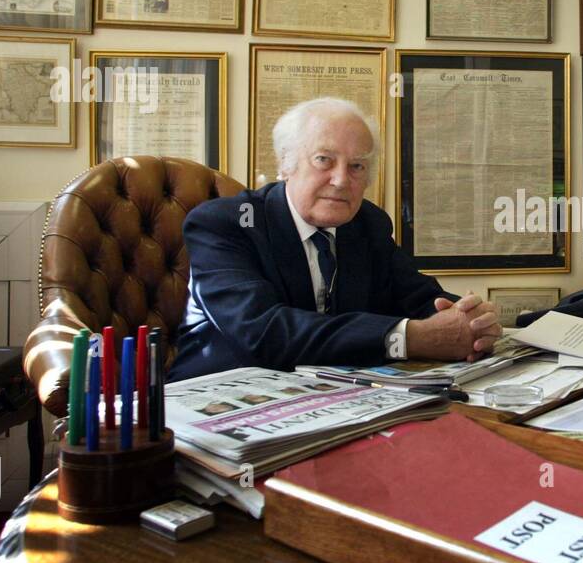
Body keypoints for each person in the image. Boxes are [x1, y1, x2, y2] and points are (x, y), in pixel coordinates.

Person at [169, 97, 502, 381]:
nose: (342, 180)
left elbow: (417, 297)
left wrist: (467, 321)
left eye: (357, 166)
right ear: (286, 163)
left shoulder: (367, 223)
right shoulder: (227, 223)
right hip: (221, 404)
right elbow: (264, 333)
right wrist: (406, 338)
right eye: (323, 160)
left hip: (336, 399)